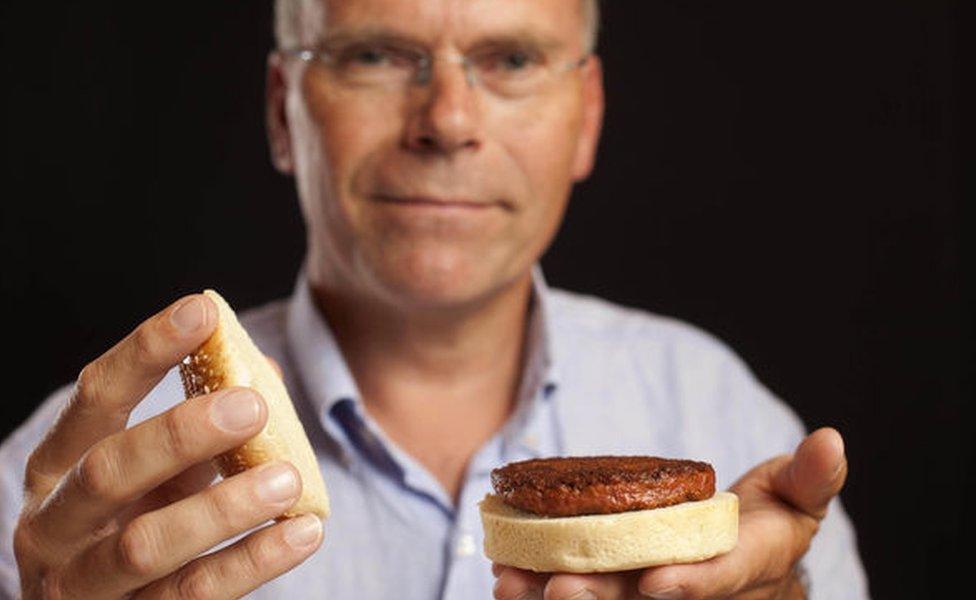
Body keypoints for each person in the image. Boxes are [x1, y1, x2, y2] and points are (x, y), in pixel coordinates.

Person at [0, 0, 869, 598]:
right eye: (376, 55)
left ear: (588, 116)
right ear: (281, 112)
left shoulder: (725, 413)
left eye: (513, 59)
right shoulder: (68, 499)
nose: (447, 120)